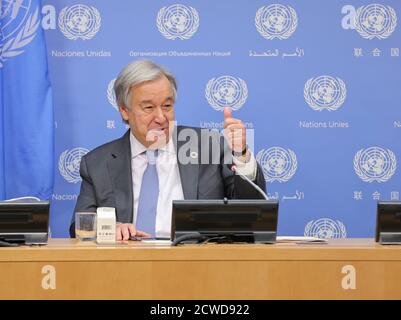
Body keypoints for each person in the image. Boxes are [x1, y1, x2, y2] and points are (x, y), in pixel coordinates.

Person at [70, 60, 266, 240]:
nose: (161, 117)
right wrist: (110, 228)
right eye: (148, 107)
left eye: (167, 106)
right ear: (124, 110)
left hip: (197, 263)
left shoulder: (208, 145)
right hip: (126, 265)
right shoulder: (98, 163)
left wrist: (241, 156)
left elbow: (252, 214)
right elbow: (79, 228)